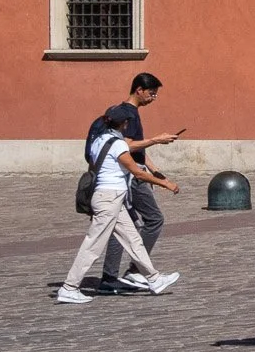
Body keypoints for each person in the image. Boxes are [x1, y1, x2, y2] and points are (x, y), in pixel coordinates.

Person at [59, 105, 181, 303]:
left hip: (109, 198)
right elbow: (138, 172)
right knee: (93, 245)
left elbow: (93, 165)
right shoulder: (118, 145)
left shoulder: (99, 140)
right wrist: (166, 183)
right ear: (124, 124)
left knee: (133, 239)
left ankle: (154, 278)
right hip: (109, 198)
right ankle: (69, 287)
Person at [93, 72, 183, 296]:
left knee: (121, 225)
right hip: (131, 177)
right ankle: (135, 270)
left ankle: (109, 277)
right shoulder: (129, 114)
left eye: (156, 94)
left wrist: (155, 169)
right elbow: (127, 146)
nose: (153, 97)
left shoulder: (127, 112)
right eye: (152, 93)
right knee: (154, 219)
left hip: (133, 173)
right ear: (139, 90)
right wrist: (156, 140)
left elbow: (137, 149)